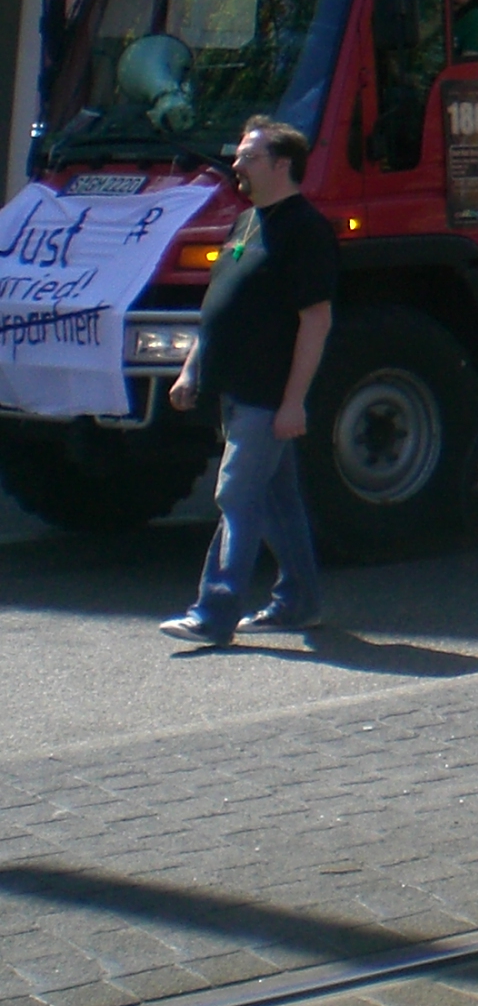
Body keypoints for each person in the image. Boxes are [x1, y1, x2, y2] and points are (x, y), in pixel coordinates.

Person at [160, 118, 338, 646]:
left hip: (268, 394)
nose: (236, 164)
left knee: (236, 495)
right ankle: (299, 602)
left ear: (282, 165)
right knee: (278, 500)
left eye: (249, 157)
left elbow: (316, 319)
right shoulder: (245, 222)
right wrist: (192, 369)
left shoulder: (306, 230)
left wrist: (294, 402)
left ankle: (213, 613)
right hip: (235, 392)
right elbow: (220, 306)